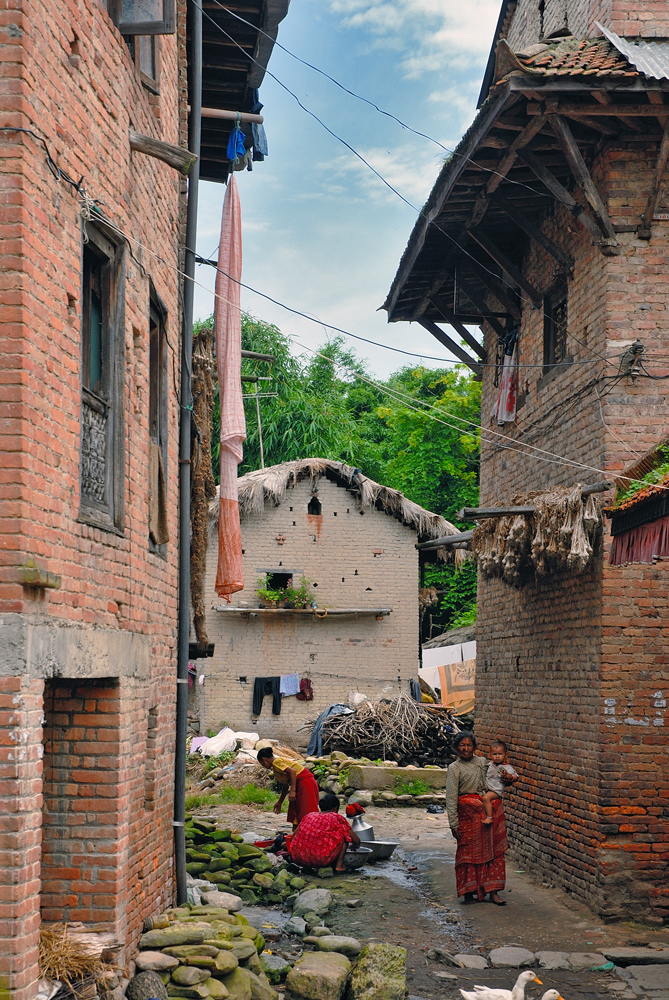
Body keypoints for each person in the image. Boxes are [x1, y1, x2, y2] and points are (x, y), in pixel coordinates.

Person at [445, 731, 513, 905]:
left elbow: (500, 774)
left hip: (488, 817)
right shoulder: (454, 769)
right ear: (456, 748)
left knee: (494, 853)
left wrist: (508, 778)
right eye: (462, 745)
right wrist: (454, 824)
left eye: (469, 745)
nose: (466, 749)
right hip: (467, 818)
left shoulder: (483, 763)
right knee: (468, 854)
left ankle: (493, 891)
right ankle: (469, 891)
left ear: (474, 747)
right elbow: (451, 797)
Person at [289, 793, 361, 872]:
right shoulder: (336, 817)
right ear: (335, 809)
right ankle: (339, 866)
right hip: (321, 859)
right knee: (345, 835)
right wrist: (355, 847)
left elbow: (292, 838)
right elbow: (356, 840)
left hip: (298, 857)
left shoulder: (309, 815)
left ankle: (307, 866)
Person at [257, 747, 320, 830]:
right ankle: (297, 834)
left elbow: (292, 772)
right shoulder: (277, 767)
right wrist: (280, 802)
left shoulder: (276, 762)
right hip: (300, 784)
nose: (263, 766)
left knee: (306, 810)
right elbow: (285, 785)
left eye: (262, 763)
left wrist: (293, 791)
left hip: (305, 782)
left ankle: (310, 832)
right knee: (296, 809)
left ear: (264, 759)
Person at [482, 740, 518, 825]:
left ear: (506, 755)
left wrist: (510, 777)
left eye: (500, 754)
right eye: (494, 754)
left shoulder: (507, 767)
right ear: (490, 755)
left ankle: (489, 817)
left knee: (486, 798)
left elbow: (515, 776)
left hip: (496, 790)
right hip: (488, 788)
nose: (497, 756)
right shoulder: (490, 765)